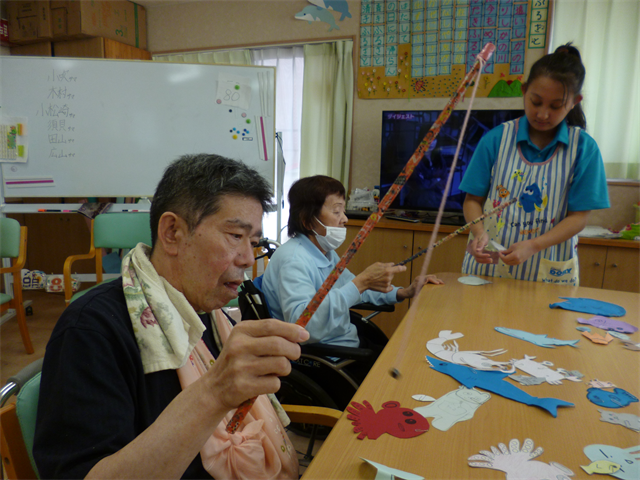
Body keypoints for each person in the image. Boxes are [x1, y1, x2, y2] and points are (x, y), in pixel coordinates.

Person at [33, 154, 307, 480]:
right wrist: (214, 392)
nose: (248, 258)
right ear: (173, 232)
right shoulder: (92, 331)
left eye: (254, 242)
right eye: (235, 236)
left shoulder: (210, 315)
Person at [459, 43, 609, 285]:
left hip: (549, 271)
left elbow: (579, 217)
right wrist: (478, 233)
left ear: (574, 101)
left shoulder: (583, 149)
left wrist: (534, 245)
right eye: (536, 102)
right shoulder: (496, 139)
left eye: (555, 106)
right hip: (489, 269)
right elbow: (472, 201)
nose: (542, 114)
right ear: (524, 90)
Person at [261, 175, 442, 354]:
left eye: (343, 211)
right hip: (330, 356)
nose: (345, 219)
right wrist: (361, 283)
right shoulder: (293, 260)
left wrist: (403, 292)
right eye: (336, 211)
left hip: (346, 342)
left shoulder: (323, 252)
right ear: (307, 220)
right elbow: (302, 326)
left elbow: (352, 287)